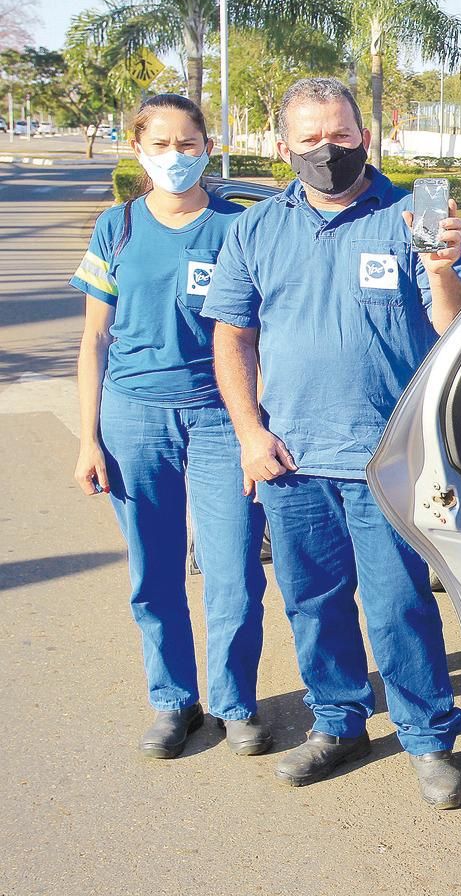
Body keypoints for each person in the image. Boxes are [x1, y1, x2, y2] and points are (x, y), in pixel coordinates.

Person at [200, 78, 461, 808]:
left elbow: (458, 331)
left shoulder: (416, 211)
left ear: (367, 136)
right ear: (284, 145)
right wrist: (248, 434)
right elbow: (232, 336)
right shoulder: (255, 229)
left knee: (400, 606)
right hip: (291, 461)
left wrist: (443, 270)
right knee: (314, 603)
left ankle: (428, 736)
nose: (328, 149)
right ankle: (339, 721)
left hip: (387, 462)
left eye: (342, 134)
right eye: (311, 137)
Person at [70, 94, 268, 759]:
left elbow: (261, 336)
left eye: (188, 144)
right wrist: (88, 437)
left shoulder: (238, 228)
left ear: (209, 147)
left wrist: (255, 429)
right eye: (161, 144)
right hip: (134, 418)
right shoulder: (117, 227)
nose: (175, 157)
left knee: (234, 570)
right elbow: (94, 339)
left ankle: (234, 703)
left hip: (220, 419)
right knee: (154, 573)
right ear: (138, 149)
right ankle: (173, 701)